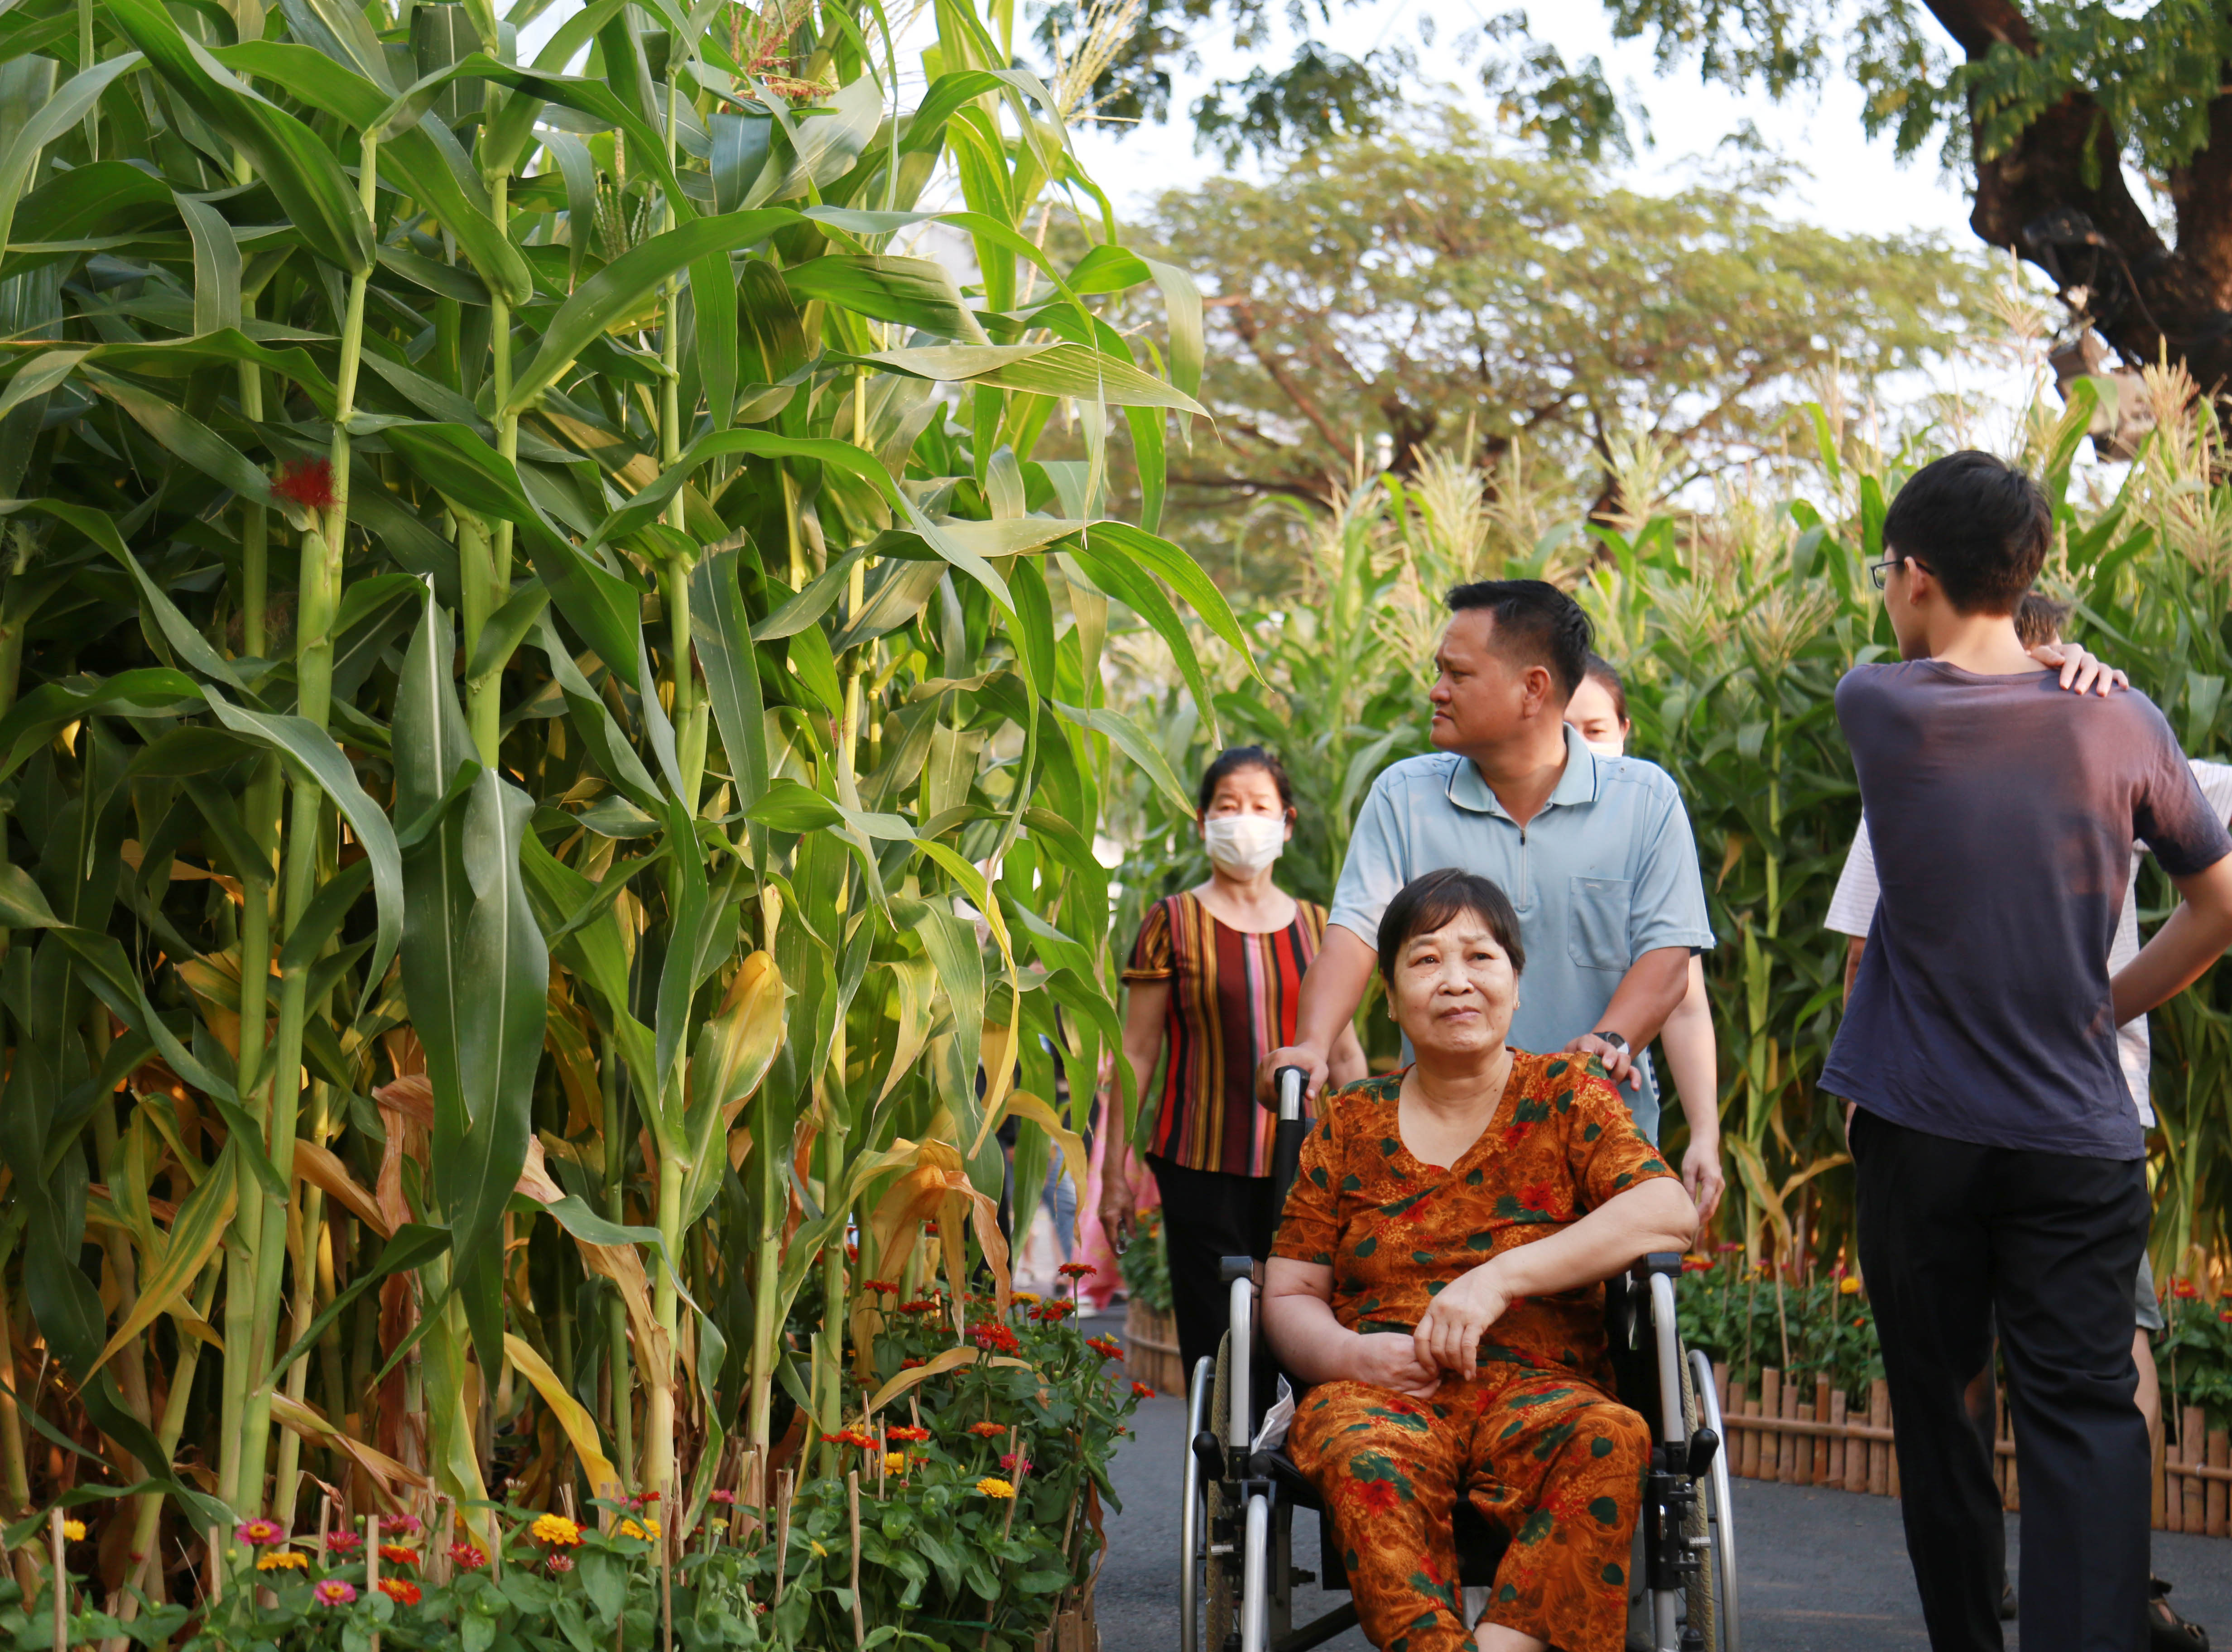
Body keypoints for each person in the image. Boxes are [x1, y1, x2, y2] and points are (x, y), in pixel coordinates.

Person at [1826, 450, 2232, 1652]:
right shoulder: (2126, 720)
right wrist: (2100, 1008)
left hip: (1922, 1131)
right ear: (2033, 572)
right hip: (2079, 1136)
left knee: (1944, 1414)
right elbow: (2216, 908)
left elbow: (1947, 676)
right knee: (2088, 1420)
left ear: (1911, 575)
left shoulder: (1876, 702)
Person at [1264, 869, 1698, 1652]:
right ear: (1390, 997)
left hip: (1542, 1386)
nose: (1455, 980)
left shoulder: (1568, 1096)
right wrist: (1351, 1353)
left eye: (1479, 956)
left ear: (1515, 982)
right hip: (1376, 1386)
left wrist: (1496, 1277)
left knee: (1611, 1435)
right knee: (1361, 1453)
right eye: (1425, 959)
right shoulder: (1348, 1123)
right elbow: (1290, 1289)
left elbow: (1667, 1208)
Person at [1265, 578, 1716, 1162]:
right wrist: (1311, 1046)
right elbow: (1353, 937)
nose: (1436, 691)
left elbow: (1666, 962)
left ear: (1533, 689)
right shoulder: (1402, 797)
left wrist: (1604, 1045)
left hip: (1597, 1144)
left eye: (1457, 675)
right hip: (1442, 1150)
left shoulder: (1646, 801)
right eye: (1438, 672)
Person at [1098, 746, 1368, 1380]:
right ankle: (1221, 1470)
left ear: (1288, 822)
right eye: (1228, 806)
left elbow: (1347, 1051)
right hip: (1200, 1166)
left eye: (1259, 807)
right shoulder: (1171, 922)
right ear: (1202, 821)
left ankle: (1296, 1469)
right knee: (1218, 1346)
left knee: (1307, 1334)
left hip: (1308, 1167)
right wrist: (1115, 1174)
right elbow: (1136, 1053)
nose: (1243, 820)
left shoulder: (1319, 928)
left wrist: (1373, 1157)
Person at [1564, 653, 1725, 1224]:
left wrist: (1704, 1133)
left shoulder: (1650, 824)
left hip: (1615, 1123)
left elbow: (1682, 1002)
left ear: (1624, 732)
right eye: (1564, 729)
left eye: (1595, 729)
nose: (1578, 744)